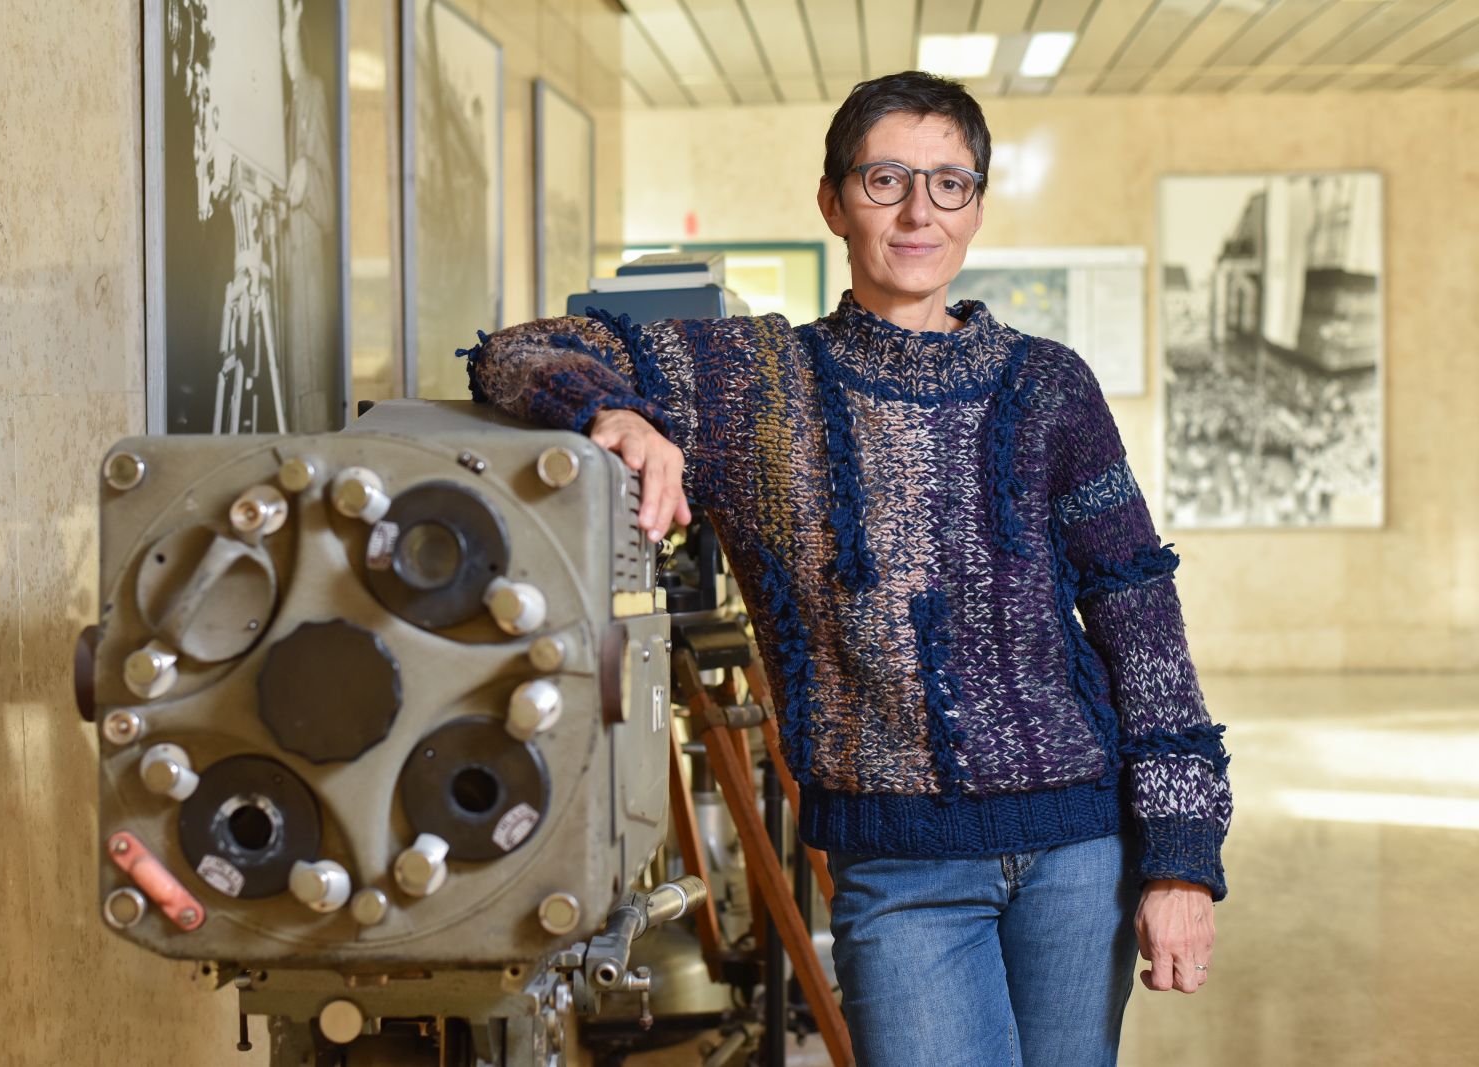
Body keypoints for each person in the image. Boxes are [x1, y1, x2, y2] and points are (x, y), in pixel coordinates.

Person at [461, 71, 1231, 1067]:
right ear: (832, 201)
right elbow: (519, 350)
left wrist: (1180, 857)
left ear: (978, 206)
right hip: (897, 866)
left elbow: (1141, 622)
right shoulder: (753, 380)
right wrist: (607, 408)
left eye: (950, 183)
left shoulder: (1049, 386)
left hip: (1078, 852)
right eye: (886, 180)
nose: (920, 210)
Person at [278, 0, 341, 432]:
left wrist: (304, 174)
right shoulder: (289, 100)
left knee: (306, 362)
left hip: (305, 245)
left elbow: (320, 190)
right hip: (289, 242)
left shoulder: (311, 90)